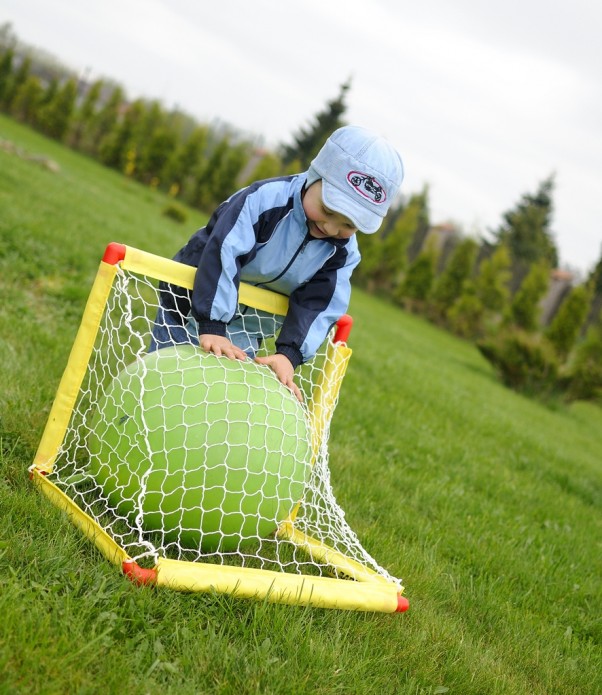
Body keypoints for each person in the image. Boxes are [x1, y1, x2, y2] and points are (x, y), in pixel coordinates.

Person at [150, 125, 404, 401]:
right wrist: (212, 325)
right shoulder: (264, 201)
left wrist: (289, 354)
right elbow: (224, 252)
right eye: (328, 210)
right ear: (315, 176)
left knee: (213, 399)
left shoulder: (342, 254)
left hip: (247, 327)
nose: (331, 228)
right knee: (163, 382)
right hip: (189, 305)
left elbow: (318, 305)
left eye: (349, 224)